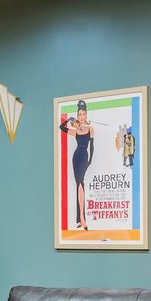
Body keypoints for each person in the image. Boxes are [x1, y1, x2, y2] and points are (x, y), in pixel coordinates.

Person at [59, 99, 93, 230]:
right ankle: (81, 219)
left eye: (83, 114)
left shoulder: (90, 129)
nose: (81, 116)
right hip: (76, 158)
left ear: (86, 115)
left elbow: (92, 147)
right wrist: (69, 120)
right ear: (77, 116)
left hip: (84, 158)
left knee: (80, 185)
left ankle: (82, 219)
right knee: (79, 184)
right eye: (79, 114)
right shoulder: (76, 131)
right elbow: (61, 128)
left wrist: (90, 161)